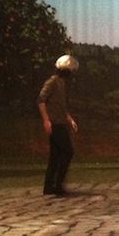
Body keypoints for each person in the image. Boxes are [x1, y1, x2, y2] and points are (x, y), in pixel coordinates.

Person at [37, 54, 79, 195]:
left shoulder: (61, 84)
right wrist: (46, 120)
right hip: (55, 124)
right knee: (67, 152)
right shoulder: (52, 82)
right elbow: (41, 100)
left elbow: (61, 107)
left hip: (60, 122)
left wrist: (70, 120)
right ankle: (57, 185)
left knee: (55, 155)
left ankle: (49, 186)